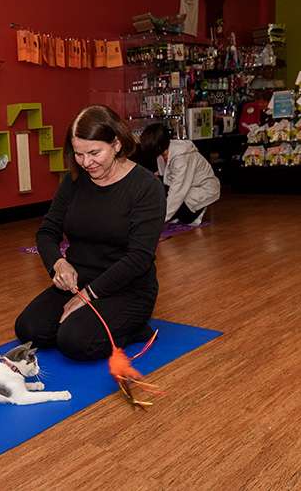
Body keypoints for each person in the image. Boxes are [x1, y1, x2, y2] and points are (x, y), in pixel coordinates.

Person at [14, 104, 166, 361]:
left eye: (94, 152)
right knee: (29, 329)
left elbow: (139, 257)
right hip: (79, 283)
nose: (86, 163)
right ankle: (91, 322)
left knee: (75, 342)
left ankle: (134, 328)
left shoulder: (146, 187)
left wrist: (90, 296)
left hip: (128, 288)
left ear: (117, 143)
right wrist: (58, 264)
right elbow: (47, 232)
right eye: (79, 154)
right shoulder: (73, 180)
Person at [139, 123, 220, 226]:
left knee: (187, 217)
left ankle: (196, 213)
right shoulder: (161, 153)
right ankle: (176, 214)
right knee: (154, 183)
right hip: (185, 186)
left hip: (203, 188)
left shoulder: (182, 157)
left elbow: (177, 192)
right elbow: (164, 176)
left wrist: (160, 219)